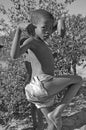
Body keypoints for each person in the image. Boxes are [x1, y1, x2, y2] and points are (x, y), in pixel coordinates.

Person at [10, 9, 82, 130]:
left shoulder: (41, 40)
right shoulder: (31, 41)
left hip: (37, 90)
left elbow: (52, 29)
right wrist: (18, 30)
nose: (48, 31)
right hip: (42, 84)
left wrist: (61, 21)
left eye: (50, 28)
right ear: (33, 28)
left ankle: (54, 117)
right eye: (44, 28)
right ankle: (57, 112)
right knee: (78, 80)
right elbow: (14, 55)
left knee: (53, 125)